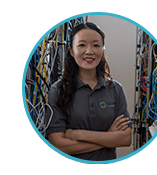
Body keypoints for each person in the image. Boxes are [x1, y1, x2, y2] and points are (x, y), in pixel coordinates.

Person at [46, 22, 132, 161]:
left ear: (102, 50)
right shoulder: (58, 90)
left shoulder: (115, 89)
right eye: (82, 45)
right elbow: (58, 145)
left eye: (96, 45)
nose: (89, 51)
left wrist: (78, 134)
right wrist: (108, 137)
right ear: (72, 51)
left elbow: (125, 138)